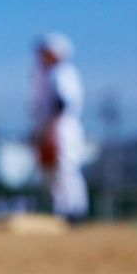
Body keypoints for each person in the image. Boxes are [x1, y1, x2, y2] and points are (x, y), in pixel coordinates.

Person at [30, 32, 89, 224]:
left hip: (63, 126)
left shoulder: (63, 72)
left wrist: (49, 130)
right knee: (52, 170)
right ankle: (61, 210)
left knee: (66, 168)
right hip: (52, 125)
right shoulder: (45, 74)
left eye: (46, 51)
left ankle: (75, 210)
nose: (41, 55)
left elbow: (62, 104)